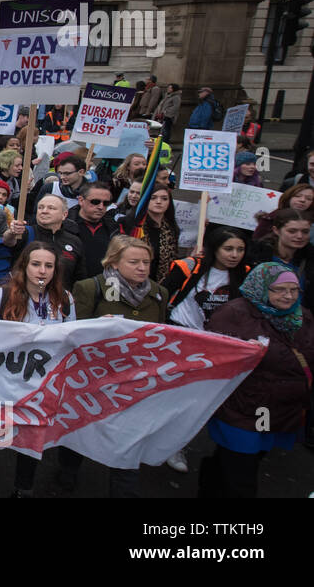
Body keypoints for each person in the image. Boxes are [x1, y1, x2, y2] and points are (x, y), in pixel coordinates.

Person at [0, 242, 76, 495]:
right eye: (36, 264)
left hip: (42, 384)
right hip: (5, 379)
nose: (42, 271)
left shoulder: (65, 300)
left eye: (49, 265)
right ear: (24, 266)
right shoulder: (1, 296)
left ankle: (23, 489)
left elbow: (71, 338)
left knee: (33, 436)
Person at [199, 263, 314, 497]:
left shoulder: (304, 317)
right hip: (240, 409)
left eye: (294, 290)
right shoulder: (235, 314)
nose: (289, 296)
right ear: (260, 287)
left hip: (278, 411)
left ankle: (210, 488)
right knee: (243, 478)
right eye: (280, 289)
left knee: (241, 460)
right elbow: (211, 355)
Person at [70, 235, 168, 497]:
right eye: (134, 261)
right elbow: (72, 334)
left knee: (128, 444)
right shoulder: (90, 288)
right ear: (113, 262)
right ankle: (68, 471)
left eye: (146, 262)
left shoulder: (159, 294)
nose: (142, 267)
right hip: (93, 379)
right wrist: (97, 328)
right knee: (80, 432)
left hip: (134, 382)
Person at [5, 194, 84, 287]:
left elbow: (80, 276)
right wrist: (12, 232)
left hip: (60, 298)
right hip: (24, 296)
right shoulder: (24, 233)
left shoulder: (74, 241)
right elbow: (8, 241)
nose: (44, 211)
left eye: (51, 208)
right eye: (40, 207)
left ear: (64, 214)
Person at [116, 184, 180, 284]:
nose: (159, 202)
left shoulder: (171, 229)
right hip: (131, 284)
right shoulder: (130, 224)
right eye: (153, 198)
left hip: (160, 286)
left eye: (164, 198)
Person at [67, 181, 120, 280]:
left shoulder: (113, 228)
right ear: (81, 200)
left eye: (106, 203)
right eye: (95, 202)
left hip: (105, 286)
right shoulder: (64, 225)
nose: (101, 207)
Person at [246, 208, 314, 283]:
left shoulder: (309, 258)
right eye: (292, 231)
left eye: (305, 231)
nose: (299, 236)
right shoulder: (253, 255)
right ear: (276, 230)